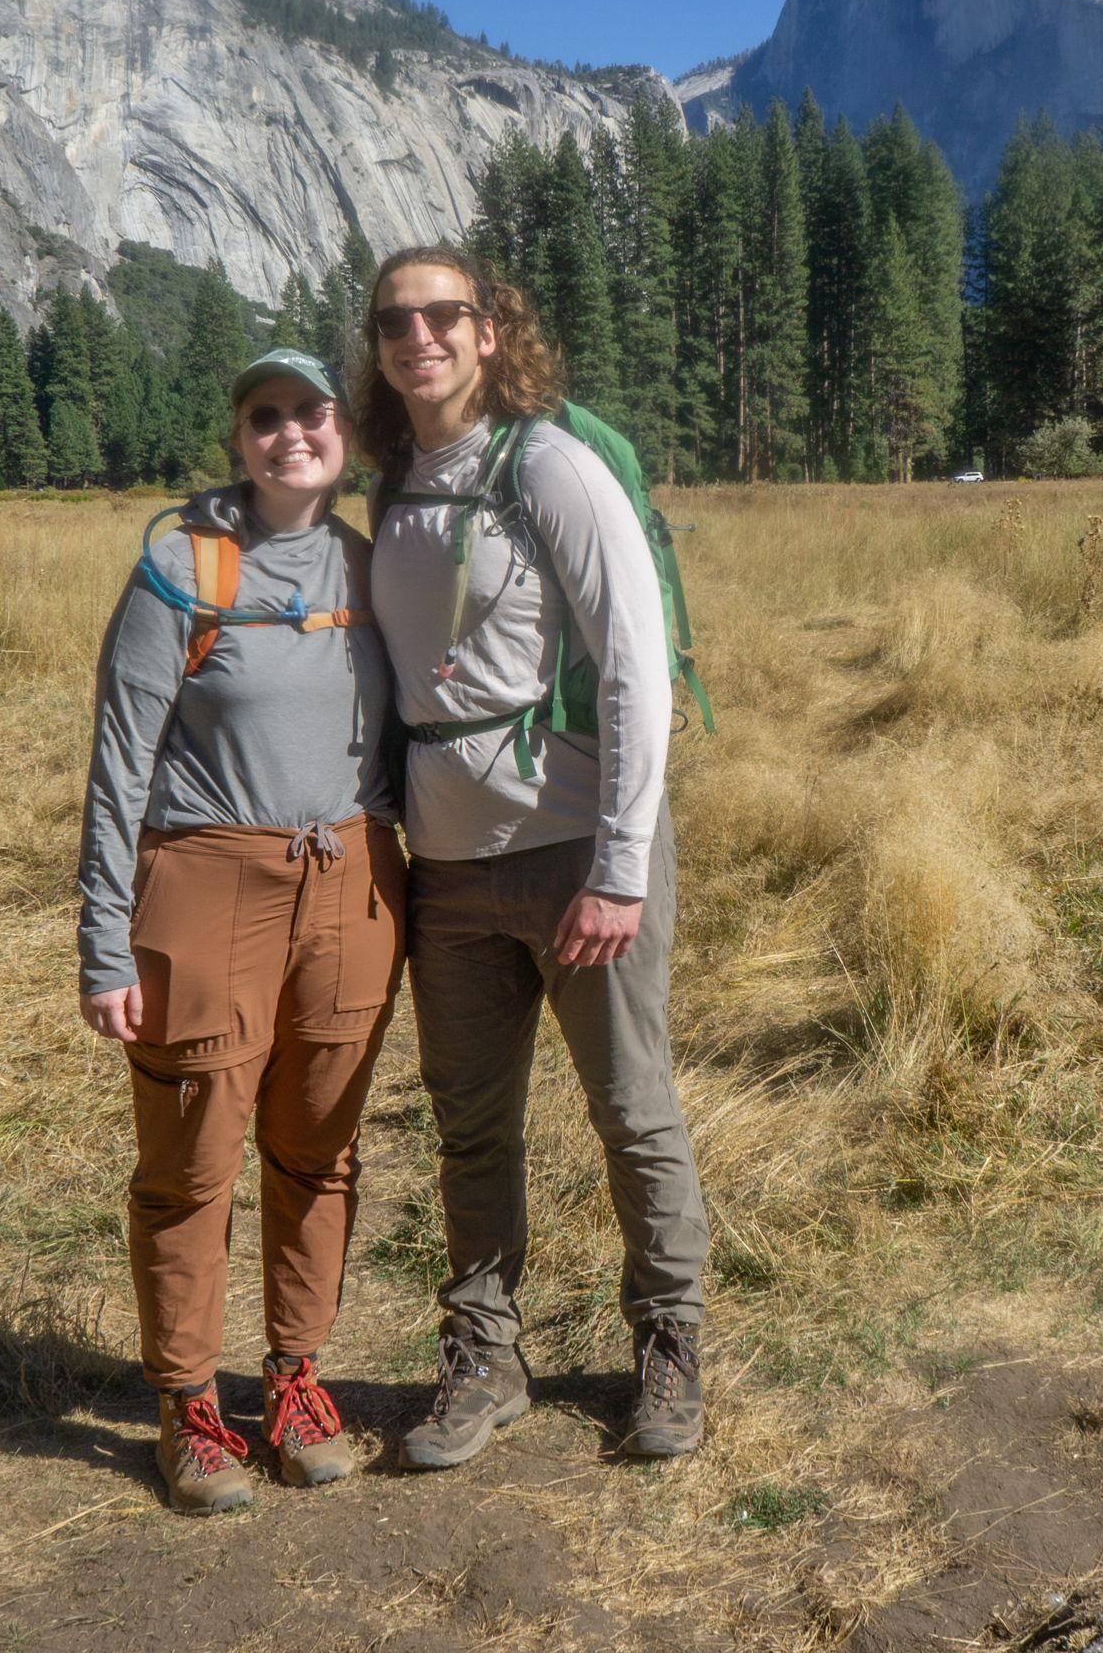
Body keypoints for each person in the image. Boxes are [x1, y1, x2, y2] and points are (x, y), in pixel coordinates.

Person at [356, 244, 709, 1468]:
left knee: (631, 1110)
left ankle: (668, 1343)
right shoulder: (395, 486)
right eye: (395, 320)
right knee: (468, 1127)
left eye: (444, 314)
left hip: (575, 856)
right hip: (448, 873)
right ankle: (483, 1357)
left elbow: (633, 663)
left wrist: (618, 866)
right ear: (377, 347)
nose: (419, 336)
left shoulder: (545, 463)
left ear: (489, 331)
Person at [77, 348, 405, 1515]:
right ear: (238, 437)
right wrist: (103, 941)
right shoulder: (181, 565)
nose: (289, 433)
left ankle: (296, 1378)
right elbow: (119, 765)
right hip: (208, 882)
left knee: (319, 1150)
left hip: (351, 880)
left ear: (343, 432)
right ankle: (187, 1399)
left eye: (310, 412)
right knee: (191, 1162)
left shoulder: (370, 563)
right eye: (265, 415)